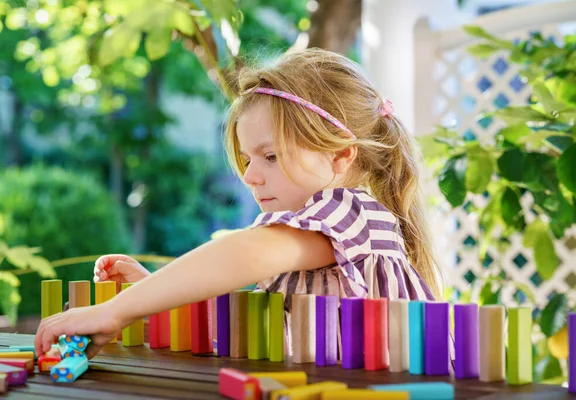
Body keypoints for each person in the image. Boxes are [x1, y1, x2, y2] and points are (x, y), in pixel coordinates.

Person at [35, 48, 444, 359]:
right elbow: (261, 325)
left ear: (340, 156)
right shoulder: (311, 239)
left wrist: (116, 311)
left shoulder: (351, 212)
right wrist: (154, 292)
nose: (250, 175)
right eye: (248, 160)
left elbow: (246, 253)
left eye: (271, 156)